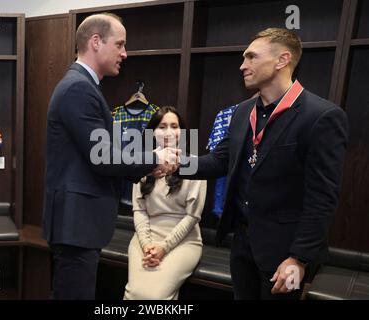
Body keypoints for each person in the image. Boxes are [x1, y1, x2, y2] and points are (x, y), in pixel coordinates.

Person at [177, 28, 348, 300]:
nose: (243, 65)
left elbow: (323, 197)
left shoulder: (322, 117)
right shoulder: (243, 111)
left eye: (251, 57)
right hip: (242, 244)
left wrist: (299, 258)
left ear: (282, 60)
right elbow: (220, 160)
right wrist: (173, 163)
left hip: (285, 255)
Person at [42, 13, 178, 300]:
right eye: (120, 45)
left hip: (79, 222)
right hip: (76, 223)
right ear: (95, 42)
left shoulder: (84, 86)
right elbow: (103, 157)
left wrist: (147, 165)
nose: (124, 54)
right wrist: (154, 158)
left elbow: (106, 154)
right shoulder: (79, 88)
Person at [123, 106, 207, 300]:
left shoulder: (193, 164)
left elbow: (193, 216)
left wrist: (164, 248)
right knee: (134, 293)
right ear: (153, 132)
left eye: (174, 126)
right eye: (162, 126)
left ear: (182, 132)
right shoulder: (143, 161)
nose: (168, 132)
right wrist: (146, 245)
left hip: (183, 241)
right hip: (146, 238)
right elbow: (139, 210)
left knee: (157, 296)